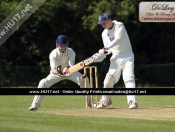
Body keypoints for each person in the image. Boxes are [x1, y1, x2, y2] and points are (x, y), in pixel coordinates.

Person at [29, 35, 92, 111]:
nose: (62, 47)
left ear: (67, 44)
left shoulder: (71, 52)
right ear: (57, 44)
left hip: (70, 72)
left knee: (85, 80)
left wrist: (67, 70)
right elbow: (52, 69)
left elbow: (71, 65)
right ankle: (35, 105)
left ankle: (90, 103)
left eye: (64, 45)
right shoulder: (53, 54)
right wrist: (58, 72)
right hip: (57, 73)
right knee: (43, 83)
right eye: (61, 45)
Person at [92, 13, 138, 109]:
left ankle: (132, 101)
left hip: (127, 55)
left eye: (104, 23)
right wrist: (100, 56)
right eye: (101, 24)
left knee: (128, 77)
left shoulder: (119, 25)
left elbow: (117, 40)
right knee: (108, 81)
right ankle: (105, 101)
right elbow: (108, 50)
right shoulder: (104, 34)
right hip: (116, 57)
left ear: (109, 20)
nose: (102, 25)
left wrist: (104, 49)